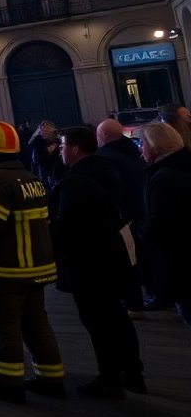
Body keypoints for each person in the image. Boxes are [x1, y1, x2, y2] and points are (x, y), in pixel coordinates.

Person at [0, 121, 65, 403]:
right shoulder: (31, 178)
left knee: (4, 324)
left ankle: (8, 382)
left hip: (10, 268)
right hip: (38, 265)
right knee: (36, 322)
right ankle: (51, 377)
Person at [50, 125, 145, 398]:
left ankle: (109, 378)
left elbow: (65, 226)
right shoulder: (109, 171)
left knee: (98, 322)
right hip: (115, 254)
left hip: (89, 262)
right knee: (117, 317)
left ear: (76, 149)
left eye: (64, 145)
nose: (60, 151)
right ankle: (134, 372)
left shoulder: (75, 182)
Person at [140, 122, 191, 325]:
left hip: (178, 259)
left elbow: (159, 220)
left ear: (154, 145)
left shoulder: (163, 176)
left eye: (143, 143)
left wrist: (143, 229)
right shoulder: (181, 165)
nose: (141, 148)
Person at [95, 118, 147, 314]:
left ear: (105, 136)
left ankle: (132, 301)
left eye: (99, 135)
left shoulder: (105, 157)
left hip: (120, 216)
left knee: (125, 261)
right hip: (138, 211)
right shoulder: (132, 151)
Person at [28, 120, 60, 189]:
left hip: (57, 170)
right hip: (44, 171)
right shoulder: (37, 141)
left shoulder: (58, 140)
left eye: (47, 129)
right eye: (42, 129)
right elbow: (38, 160)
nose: (44, 131)